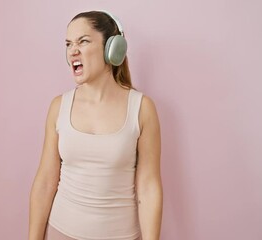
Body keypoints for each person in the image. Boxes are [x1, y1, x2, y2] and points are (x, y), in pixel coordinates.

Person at [29, 10, 163, 240]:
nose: (73, 50)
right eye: (69, 43)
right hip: (61, 231)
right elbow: (45, 181)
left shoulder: (142, 108)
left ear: (113, 49)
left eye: (83, 41)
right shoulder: (58, 106)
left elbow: (149, 187)